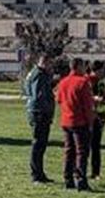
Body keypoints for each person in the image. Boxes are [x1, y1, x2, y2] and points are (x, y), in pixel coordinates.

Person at [55, 57, 96, 190]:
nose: (85, 69)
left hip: (66, 121)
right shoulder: (83, 82)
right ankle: (81, 180)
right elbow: (88, 105)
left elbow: (59, 100)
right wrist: (90, 122)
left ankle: (68, 179)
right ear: (78, 66)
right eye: (84, 66)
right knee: (81, 152)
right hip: (80, 122)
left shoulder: (63, 82)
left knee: (69, 151)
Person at [21, 53, 55, 183]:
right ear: (44, 62)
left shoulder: (35, 73)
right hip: (39, 112)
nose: (51, 67)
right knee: (38, 144)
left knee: (40, 144)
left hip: (38, 111)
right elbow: (38, 96)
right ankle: (36, 174)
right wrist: (46, 109)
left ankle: (39, 172)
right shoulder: (39, 75)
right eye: (50, 64)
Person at [86, 60, 105, 179]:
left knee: (96, 145)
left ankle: (96, 172)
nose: (103, 73)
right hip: (88, 117)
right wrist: (93, 99)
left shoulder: (102, 82)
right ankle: (81, 169)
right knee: (85, 145)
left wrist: (104, 99)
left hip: (100, 116)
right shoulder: (87, 81)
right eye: (101, 70)